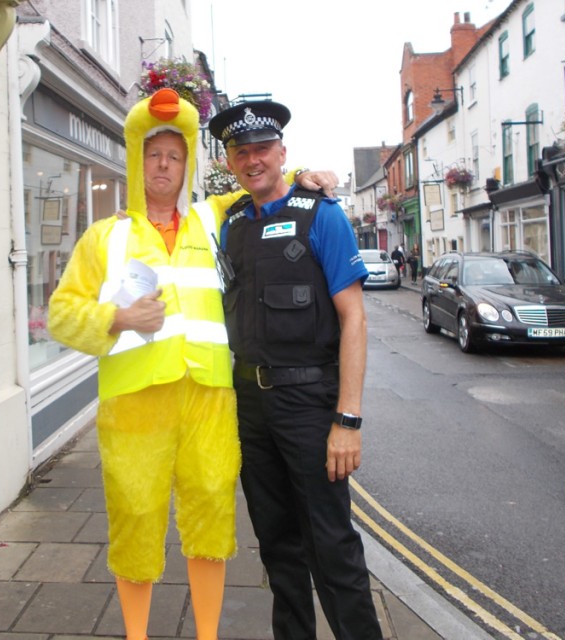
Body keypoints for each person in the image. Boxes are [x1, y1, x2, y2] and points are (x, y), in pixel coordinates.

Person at [47, 88, 336, 640]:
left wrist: (307, 173)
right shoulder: (104, 237)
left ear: (188, 165)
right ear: (137, 161)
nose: (163, 165)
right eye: (154, 154)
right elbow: (61, 315)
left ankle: (206, 635)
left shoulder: (212, 218)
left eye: (174, 155)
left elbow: (264, 181)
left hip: (210, 397)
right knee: (135, 520)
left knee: (210, 519)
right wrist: (117, 318)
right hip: (134, 404)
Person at [210, 100, 384, 640]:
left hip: (309, 406)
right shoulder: (231, 222)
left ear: (283, 152)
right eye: (241, 152)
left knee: (332, 548)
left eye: (262, 149)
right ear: (231, 161)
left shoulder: (321, 214)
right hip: (251, 411)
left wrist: (347, 421)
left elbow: (354, 319)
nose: (252, 160)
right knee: (278, 548)